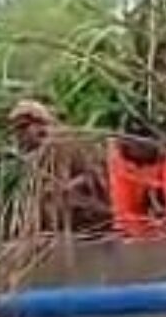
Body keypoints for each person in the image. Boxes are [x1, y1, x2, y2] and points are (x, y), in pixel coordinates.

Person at [8, 98, 110, 237]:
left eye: (23, 128)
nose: (20, 135)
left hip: (88, 214)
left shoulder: (59, 143)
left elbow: (60, 185)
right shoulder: (35, 150)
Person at [106, 132, 166, 238]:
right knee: (128, 220)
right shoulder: (120, 161)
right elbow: (125, 215)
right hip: (135, 155)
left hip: (164, 151)